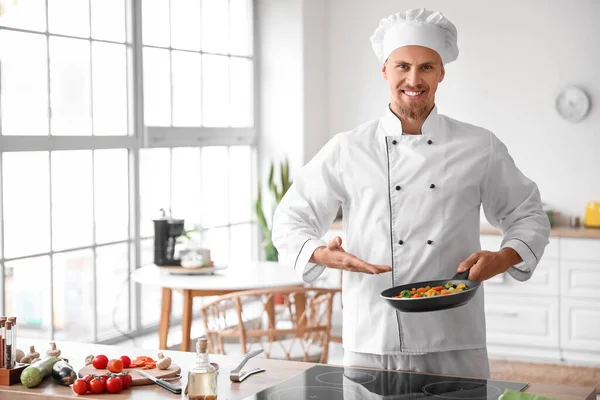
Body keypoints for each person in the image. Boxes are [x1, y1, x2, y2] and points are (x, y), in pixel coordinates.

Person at [271, 8, 550, 378]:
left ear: (442, 73)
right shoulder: (348, 148)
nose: (413, 79)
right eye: (402, 66)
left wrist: (503, 258)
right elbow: (289, 219)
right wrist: (325, 255)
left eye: (426, 67)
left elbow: (528, 214)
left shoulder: (479, 145)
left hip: (454, 335)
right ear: (385, 71)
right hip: (372, 334)